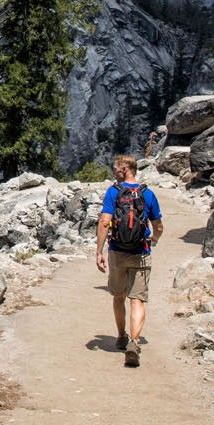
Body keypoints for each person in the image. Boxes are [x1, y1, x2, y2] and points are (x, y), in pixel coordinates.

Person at [95, 154, 163, 367]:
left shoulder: (113, 192)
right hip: (140, 252)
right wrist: (154, 239)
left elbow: (105, 222)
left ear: (124, 169)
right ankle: (134, 341)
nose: (113, 172)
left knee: (118, 296)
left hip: (117, 251)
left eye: (115, 168)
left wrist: (99, 251)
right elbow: (158, 225)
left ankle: (121, 335)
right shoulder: (148, 194)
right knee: (137, 299)